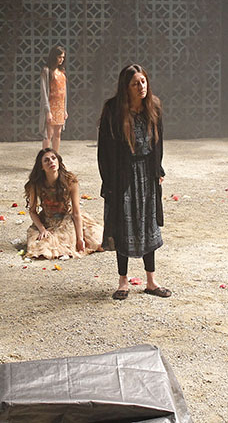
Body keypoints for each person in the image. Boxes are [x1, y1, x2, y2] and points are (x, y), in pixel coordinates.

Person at [98, 64, 170, 300]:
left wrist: (157, 168)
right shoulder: (113, 110)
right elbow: (105, 150)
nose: (141, 87)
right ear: (125, 87)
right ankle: (123, 281)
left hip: (146, 175)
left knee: (148, 224)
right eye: (135, 83)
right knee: (123, 226)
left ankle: (150, 280)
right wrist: (108, 181)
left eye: (143, 81)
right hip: (123, 176)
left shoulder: (154, 107)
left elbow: (158, 141)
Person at [24, 148, 103, 259]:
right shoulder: (35, 184)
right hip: (47, 221)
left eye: (53, 158)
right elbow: (32, 211)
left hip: (67, 219)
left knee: (95, 241)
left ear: (58, 161)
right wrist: (42, 229)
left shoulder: (70, 181)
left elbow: (76, 212)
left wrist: (80, 238)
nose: (51, 161)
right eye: (46, 160)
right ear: (41, 167)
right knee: (40, 247)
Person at [40, 45, 68, 153]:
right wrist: (47, 111)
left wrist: (64, 109)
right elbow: (44, 92)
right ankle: (45, 157)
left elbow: (64, 92)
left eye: (63, 57)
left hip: (60, 106)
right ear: (54, 56)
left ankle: (56, 157)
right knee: (48, 134)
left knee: (58, 133)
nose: (61, 60)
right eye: (59, 57)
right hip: (51, 105)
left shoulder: (62, 72)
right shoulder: (46, 71)